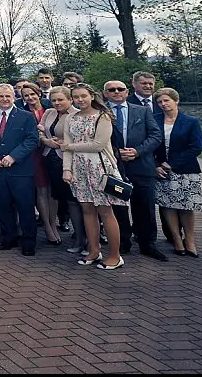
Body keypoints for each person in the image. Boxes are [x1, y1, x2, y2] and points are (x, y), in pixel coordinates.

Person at [62, 84, 127, 270]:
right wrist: (67, 169)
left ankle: (115, 255)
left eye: (83, 96)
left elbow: (98, 145)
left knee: (106, 212)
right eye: (76, 97)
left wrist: (70, 147)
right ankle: (94, 250)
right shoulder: (70, 118)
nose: (80, 100)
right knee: (87, 210)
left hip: (101, 169)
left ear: (92, 96)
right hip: (79, 169)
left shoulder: (102, 116)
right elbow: (66, 145)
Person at [103, 79, 167, 261]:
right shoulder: (102, 113)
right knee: (118, 207)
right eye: (111, 89)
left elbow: (155, 135)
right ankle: (123, 243)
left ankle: (148, 244)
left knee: (145, 207)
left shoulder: (143, 111)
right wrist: (116, 152)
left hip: (142, 166)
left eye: (120, 89)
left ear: (126, 91)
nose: (116, 92)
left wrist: (137, 151)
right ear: (106, 93)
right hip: (115, 167)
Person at [0, 84, 39, 256]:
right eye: (0, 96)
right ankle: (8, 237)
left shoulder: (26, 117)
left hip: (20, 170)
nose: (4, 99)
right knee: (2, 205)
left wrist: (13, 156)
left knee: (25, 206)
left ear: (14, 97)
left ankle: (28, 241)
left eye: (8, 96)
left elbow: (32, 140)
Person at [153, 87, 202, 258]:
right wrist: (157, 166)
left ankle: (189, 239)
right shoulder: (154, 120)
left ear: (176, 100)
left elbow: (196, 147)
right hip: (161, 171)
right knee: (168, 206)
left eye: (166, 100)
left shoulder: (191, 121)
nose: (163, 104)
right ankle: (176, 239)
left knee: (186, 206)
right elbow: (150, 145)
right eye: (160, 102)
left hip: (185, 170)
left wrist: (171, 164)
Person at [40, 86, 84, 255]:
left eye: (61, 100)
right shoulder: (49, 113)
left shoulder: (76, 115)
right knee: (55, 196)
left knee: (73, 200)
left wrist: (62, 142)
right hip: (49, 159)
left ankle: (81, 238)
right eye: (54, 100)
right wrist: (45, 140)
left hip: (69, 161)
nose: (57, 103)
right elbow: (40, 131)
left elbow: (79, 138)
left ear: (70, 99)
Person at [19, 83, 60, 245]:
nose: (30, 98)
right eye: (26, 96)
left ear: (38, 94)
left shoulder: (50, 110)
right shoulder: (22, 113)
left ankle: (54, 223)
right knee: (41, 189)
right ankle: (48, 227)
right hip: (34, 154)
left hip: (53, 153)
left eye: (32, 94)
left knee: (53, 190)